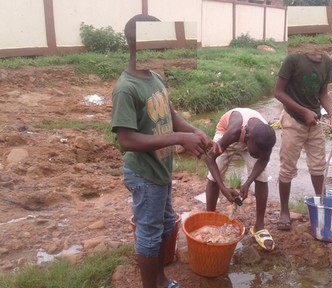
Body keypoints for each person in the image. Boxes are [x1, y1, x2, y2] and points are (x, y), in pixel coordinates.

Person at [111, 14, 213, 288]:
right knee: (149, 233)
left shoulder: (154, 77)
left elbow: (172, 116)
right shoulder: (126, 88)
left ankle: (159, 278)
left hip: (161, 172)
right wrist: (179, 138)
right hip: (144, 174)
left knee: (166, 223)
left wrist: (192, 131)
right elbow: (127, 140)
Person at [274, 51, 332, 231]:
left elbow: (323, 94)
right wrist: (303, 111)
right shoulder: (293, 59)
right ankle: (284, 211)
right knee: (287, 167)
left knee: (319, 165)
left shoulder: (326, 61)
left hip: (315, 122)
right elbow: (278, 92)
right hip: (293, 120)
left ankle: (322, 205)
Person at [203, 108, 277, 251]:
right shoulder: (233, 131)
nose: (257, 156)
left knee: (262, 177)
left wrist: (248, 182)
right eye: (255, 153)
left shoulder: (266, 139)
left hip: (252, 139)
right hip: (225, 134)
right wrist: (223, 188)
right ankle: (210, 216)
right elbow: (209, 158)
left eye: (261, 154)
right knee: (213, 177)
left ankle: (259, 226)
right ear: (247, 139)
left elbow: (263, 160)